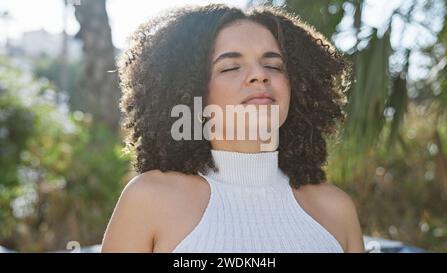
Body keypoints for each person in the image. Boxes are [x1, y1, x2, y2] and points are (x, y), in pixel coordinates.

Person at [101, 4, 364, 253]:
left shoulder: (336, 210)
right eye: (230, 67)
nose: (260, 75)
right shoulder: (149, 199)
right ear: (191, 92)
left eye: (273, 65)